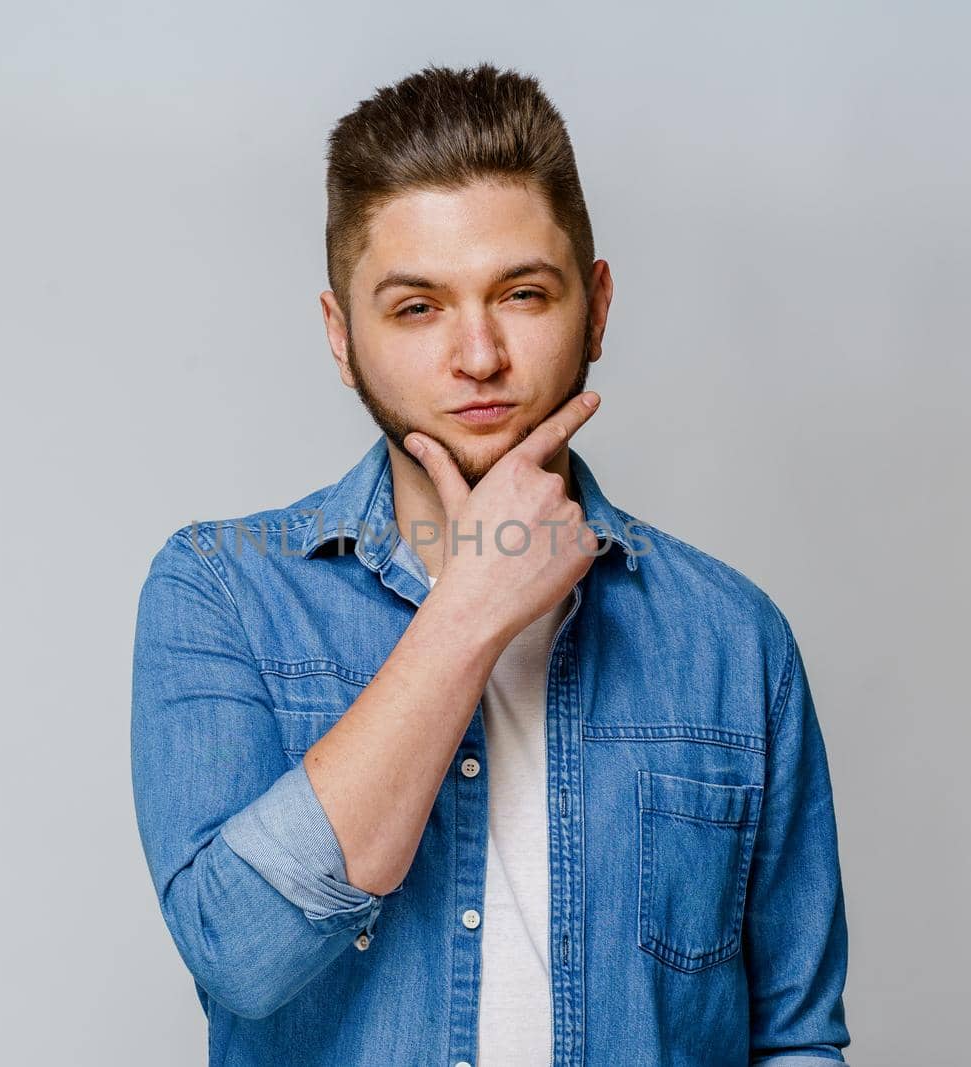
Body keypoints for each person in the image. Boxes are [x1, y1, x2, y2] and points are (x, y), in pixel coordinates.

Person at [131, 61, 850, 1066]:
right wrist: (467, 611)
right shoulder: (223, 590)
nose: (478, 354)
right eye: (416, 307)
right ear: (342, 337)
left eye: (521, 292)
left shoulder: (732, 636)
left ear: (595, 306)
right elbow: (239, 957)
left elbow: (795, 1037)